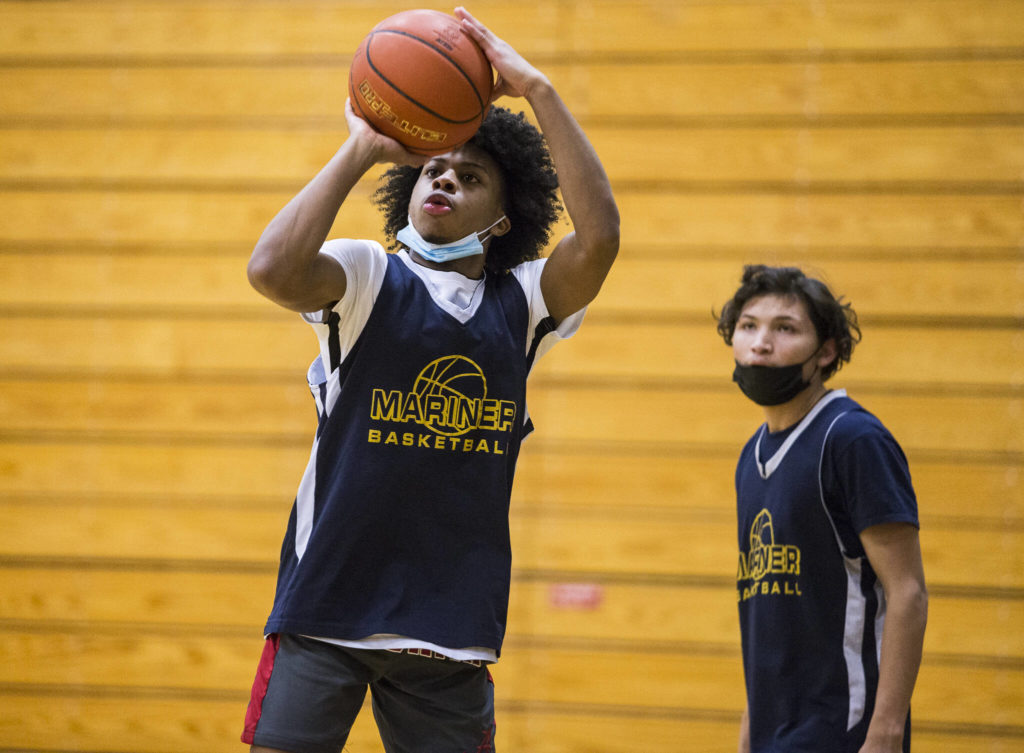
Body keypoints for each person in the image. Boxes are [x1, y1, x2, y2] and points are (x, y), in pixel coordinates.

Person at [239, 7, 619, 753]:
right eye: (433, 168)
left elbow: (600, 238)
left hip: (447, 630)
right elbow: (270, 270)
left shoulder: (526, 303)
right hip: (325, 606)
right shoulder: (368, 274)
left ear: (502, 222)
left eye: (469, 175)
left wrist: (537, 87)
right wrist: (360, 149)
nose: (443, 176)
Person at [716, 266, 928, 753]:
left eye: (784, 328)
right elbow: (769, 605)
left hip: (845, 727)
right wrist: (751, 724)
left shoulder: (853, 439)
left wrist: (887, 730)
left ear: (826, 351)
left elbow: (908, 593)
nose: (761, 343)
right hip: (774, 732)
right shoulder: (751, 457)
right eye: (748, 326)